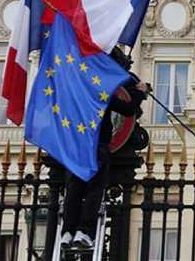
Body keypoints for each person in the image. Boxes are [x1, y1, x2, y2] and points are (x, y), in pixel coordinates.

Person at [60, 47, 149, 249]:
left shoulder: (78, 84)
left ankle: (66, 232)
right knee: (94, 189)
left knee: (73, 189)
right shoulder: (101, 88)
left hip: (76, 145)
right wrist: (140, 92)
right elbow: (127, 109)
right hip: (97, 144)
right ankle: (84, 231)